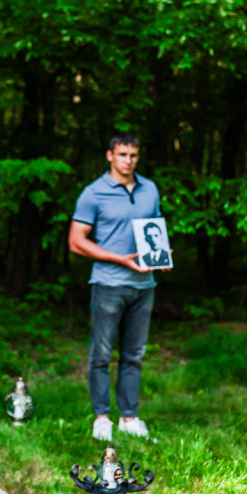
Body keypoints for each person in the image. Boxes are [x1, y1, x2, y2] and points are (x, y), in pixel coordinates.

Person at [69, 133, 162, 442]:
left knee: (134, 355)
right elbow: (76, 241)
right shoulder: (93, 193)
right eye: (122, 154)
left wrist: (160, 254)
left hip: (143, 285)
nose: (128, 161)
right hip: (108, 284)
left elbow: (154, 230)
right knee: (101, 353)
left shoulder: (150, 189)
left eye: (133, 155)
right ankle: (101, 418)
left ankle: (129, 418)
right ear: (110, 155)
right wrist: (118, 259)